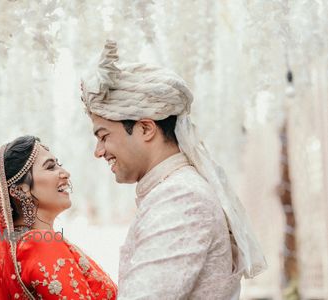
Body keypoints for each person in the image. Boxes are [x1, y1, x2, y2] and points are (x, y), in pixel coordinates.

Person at [80, 40, 267, 299]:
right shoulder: (170, 191)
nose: (99, 151)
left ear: (146, 129)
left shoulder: (181, 199)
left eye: (103, 136)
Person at [0, 136, 117, 299]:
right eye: (51, 167)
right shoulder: (40, 243)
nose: (66, 173)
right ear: (20, 190)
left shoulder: (20, 247)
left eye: (59, 165)